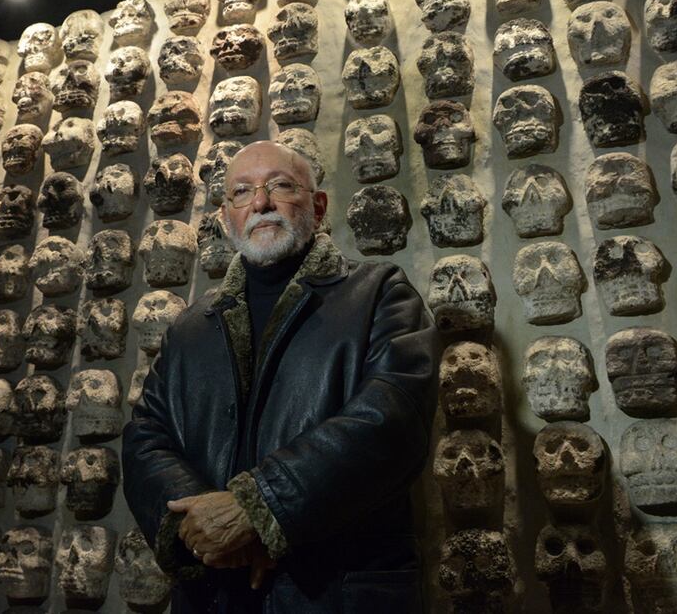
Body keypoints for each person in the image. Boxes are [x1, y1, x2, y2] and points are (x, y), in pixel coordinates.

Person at [122, 140, 440, 613]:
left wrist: (260, 507)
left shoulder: (380, 294)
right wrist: (205, 522)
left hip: (333, 593)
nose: (261, 202)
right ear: (226, 216)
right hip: (216, 593)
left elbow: (393, 419)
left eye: (280, 186)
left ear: (318, 205)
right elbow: (145, 435)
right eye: (242, 192)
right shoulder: (190, 328)